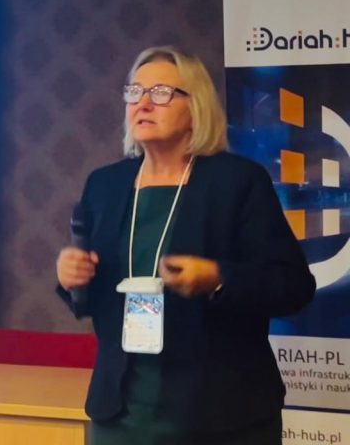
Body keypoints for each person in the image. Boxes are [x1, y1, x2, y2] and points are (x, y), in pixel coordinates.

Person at [56, 46, 315, 444]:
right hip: (121, 414)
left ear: (196, 107)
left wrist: (217, 279)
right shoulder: (105, 185)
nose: (143, 103)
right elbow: (91, 299)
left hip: (220, 416)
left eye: (161, 93)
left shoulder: (237, 182)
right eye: (134, 92)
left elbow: (292, 286)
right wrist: (72, 278)